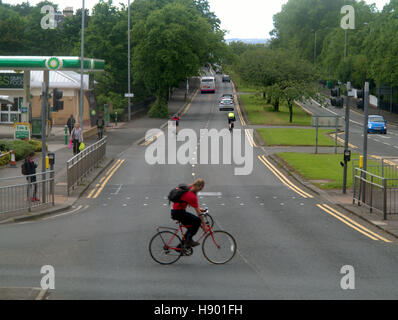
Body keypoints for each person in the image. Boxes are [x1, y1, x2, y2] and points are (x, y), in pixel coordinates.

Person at [170, 179, 208, 248]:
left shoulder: (189, 188)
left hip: (176, 211)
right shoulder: (191, 195)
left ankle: (180, 247)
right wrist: (204, 225)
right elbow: (198, 213)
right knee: (197, 221)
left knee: (191, 228)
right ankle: (189, 241)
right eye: (201, 189)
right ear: (199, 187)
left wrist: (199, 209)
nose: (200, 190)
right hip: (178, 212)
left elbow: (193, 205)